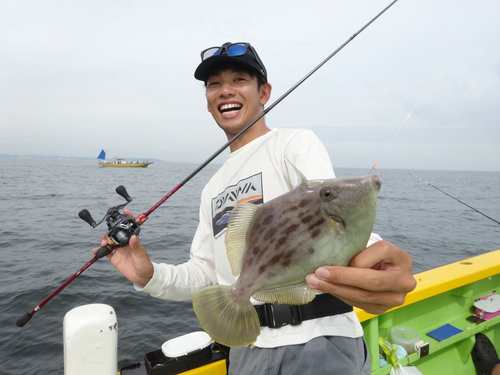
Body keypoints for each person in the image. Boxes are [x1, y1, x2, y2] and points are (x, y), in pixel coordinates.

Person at [95, 42, 416, 374]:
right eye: (214, 84)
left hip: (318, 342)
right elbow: (208, 275)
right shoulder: (212, 188)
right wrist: (149, 276)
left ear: (264, 92)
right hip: (247, 353)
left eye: (239, 80)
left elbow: (329, 214)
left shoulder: (293, 143)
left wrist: (376, 261)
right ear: (207, 102)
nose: (225, 91)